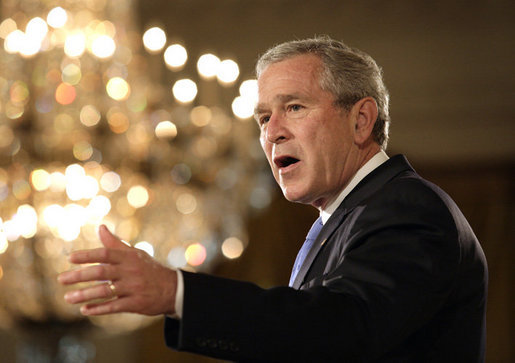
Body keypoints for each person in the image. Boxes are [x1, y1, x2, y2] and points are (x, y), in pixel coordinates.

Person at [58, 36, 488, 362]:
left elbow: (340, 328)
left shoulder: (408, 208)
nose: (271, 132)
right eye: (264, 117)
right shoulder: (346, 218)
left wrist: (178, 291)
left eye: (295, 107)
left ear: (361, 121)